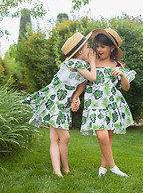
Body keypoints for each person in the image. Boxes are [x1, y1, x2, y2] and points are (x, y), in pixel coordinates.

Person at [22, 32, 96, 177]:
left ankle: (59, 170)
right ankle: (63, 169)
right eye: (88, 46)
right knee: (65, 137)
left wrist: (76, 97)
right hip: (56, 102)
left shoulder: (75, 64)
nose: (90, 50)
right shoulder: (75, 63)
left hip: (61, 103)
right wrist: (93, 62)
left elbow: (82, 82)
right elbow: (92, 78)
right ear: (80, 51)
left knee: (55, 138)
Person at [71, 28, 136, 177]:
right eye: (97, 46)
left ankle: (103, 168)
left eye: (103, 46)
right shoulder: (91, 63)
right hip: (94, 104)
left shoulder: (117, 65)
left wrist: (122, 75)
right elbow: (83, 82)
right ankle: (114, 167)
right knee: (101, 136)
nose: (99, 49)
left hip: (111, 104)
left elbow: (126, 88)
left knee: (108, 137)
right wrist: (76, 96)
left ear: (111, 48)